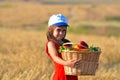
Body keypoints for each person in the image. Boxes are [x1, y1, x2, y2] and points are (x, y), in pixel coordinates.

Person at [46, 14, 79, 80]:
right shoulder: (51, 43)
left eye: (64, 30)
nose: (61, 33)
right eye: (58, 30)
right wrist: (67, 63)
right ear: (50, 30)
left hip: (72, 75)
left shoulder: (66, 43)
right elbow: (55, 57)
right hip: (61, 76)